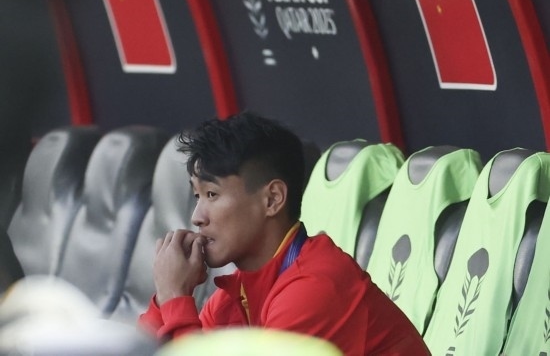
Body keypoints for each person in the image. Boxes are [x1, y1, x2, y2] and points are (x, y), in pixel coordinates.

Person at [138, 111, 430, 355]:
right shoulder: (236, 294)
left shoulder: (315, 287)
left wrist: (175, 297)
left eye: (212, 194)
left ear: (272, 199)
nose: (196, 217)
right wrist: (165, 298)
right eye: (197, 196)